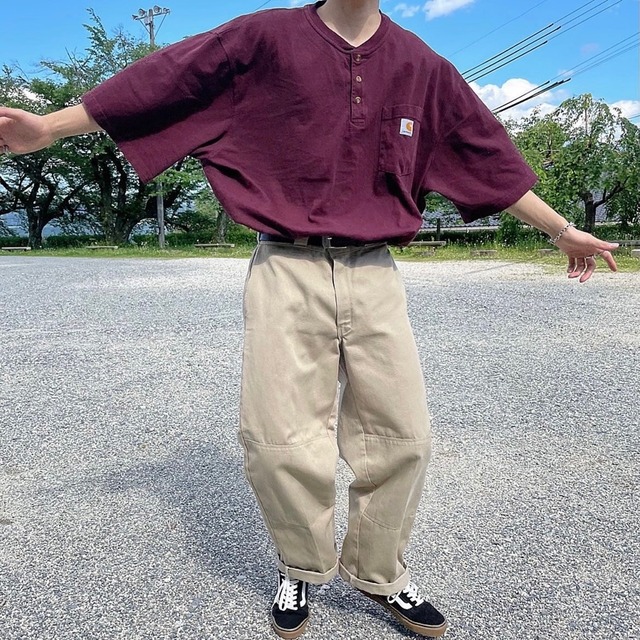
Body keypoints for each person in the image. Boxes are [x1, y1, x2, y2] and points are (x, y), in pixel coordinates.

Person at [0, 1, 618, 637]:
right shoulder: (262, 39)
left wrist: (562, 230)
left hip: (374, 270)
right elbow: (164, 81)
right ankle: (301, 565)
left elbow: (484, 156)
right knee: (279, 440)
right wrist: (49, 127)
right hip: (285, 266)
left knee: (405, 435)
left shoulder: (421, 66)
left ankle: (381, 573)